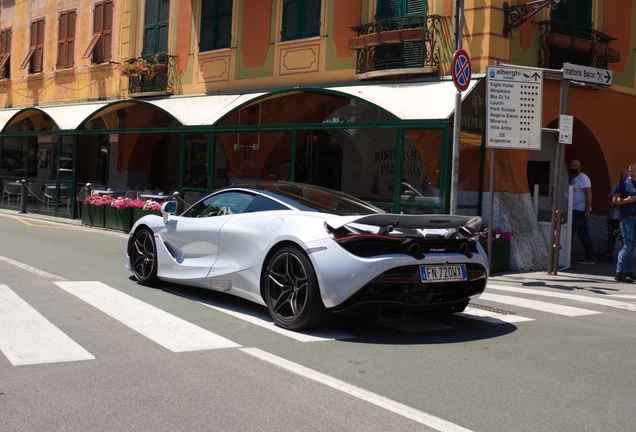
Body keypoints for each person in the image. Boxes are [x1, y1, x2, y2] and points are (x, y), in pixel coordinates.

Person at [613, 163, 636, 282]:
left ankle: (628, 271)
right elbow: (615, 199)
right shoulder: (624, 183)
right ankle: (619, 272)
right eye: (630, 171)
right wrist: (625, 200)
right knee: (627, 245)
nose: (632, 173)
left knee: (632, 246)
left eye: (634, 171)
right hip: (627, 218)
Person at [569, 159, 595, 264]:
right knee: (583, 235)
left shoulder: (583, 178)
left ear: (580, 167)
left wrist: (587, 210)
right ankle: (590, 257)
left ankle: (563, 257)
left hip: (580, 211)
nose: (573, 168)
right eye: (571, 166)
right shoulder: (574, 179)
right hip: (575, 210)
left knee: (570, 233)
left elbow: (589, 194)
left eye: (575, 166)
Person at [601, 170, 629, 261]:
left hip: (623, 217)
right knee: (611, 236)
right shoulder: (615, 187)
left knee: (624, 238)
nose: (622, 178)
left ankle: (624, 257)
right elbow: (608, 199)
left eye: (624, 177)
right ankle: (609, 254)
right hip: (613, 217)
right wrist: (610, 203)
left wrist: (619, 203)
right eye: (621, 177)